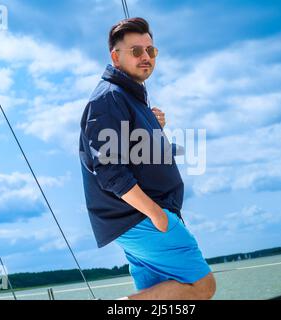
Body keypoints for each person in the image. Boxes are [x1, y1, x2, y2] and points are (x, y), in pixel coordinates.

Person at [79, 17, 216, 300]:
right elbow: (109, 169)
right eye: (136, 51)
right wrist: (156, 215)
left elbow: (140, 154)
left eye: (151, 51)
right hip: (142, 218)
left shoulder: (127, 99)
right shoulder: (108, 99)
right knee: (202, 286)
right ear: (116, 57)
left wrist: (154, 129)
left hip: (139, 220)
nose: (146, 57)